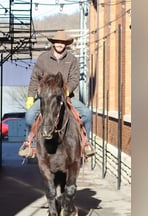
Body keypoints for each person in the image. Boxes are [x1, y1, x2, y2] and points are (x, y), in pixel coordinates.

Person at [18, 30, 95, 158]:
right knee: (30, 115)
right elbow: (34, 79)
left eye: (62, 42)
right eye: (57, 42)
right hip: (46, 97)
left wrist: (66, 91)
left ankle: (85, 144)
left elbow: (75, 79)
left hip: (66, 96)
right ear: (53, 43)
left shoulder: (72, 59)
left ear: (66, 44)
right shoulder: (43, 58)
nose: (60, 44)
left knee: (86, 113)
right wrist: (30, 97)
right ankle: (29, 145)